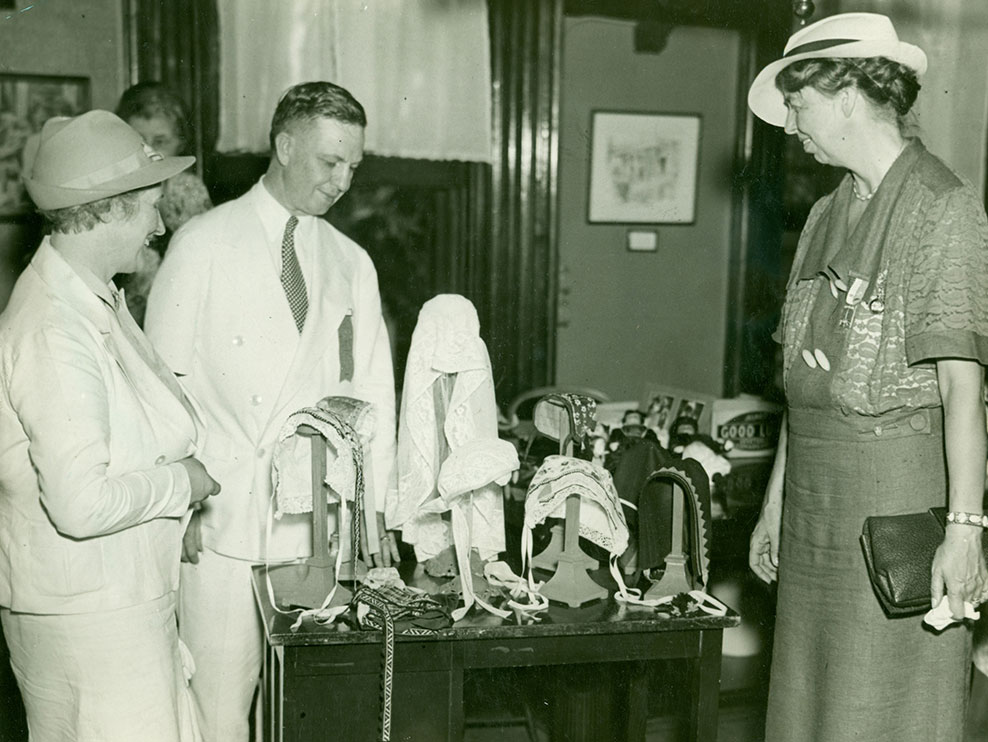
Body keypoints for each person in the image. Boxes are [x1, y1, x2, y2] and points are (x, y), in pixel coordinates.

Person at [746, 13, 988, 741]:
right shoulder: (824, 213)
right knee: (807, 712)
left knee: (882, 713)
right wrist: (773, 499)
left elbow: (963, 392)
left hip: (892, 500)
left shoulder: (943, 210)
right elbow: (800, 377)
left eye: (799, 105)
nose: (790, 126)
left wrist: (966, 531)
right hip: (815, 503)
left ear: (846, 92)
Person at [144, 81, 399, 742]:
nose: (343, 180)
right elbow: (158, 385)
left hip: (315, 524)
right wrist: (181, 500)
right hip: (222, 519)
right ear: (284, 147)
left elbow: (375, 400)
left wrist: (376, 523)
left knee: (301, 707)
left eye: (353, 165)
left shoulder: (352, 264)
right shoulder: (202, 243)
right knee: (219, 704)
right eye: (329, 162)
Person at [0, 110, 220, 741]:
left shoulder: (94, 295)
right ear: (103, 210)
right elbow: (80, 504)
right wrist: (182, 484)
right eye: (149, 207)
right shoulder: (53, 328)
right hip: (91, 622)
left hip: (116, 605)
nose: (158, 226)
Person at [114, 81, 213, 326]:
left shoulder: (187, 189)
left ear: (179, 144)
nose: (149, 152)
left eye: (160, 142)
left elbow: (205, 262)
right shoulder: (113, 190)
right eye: (138, 140)